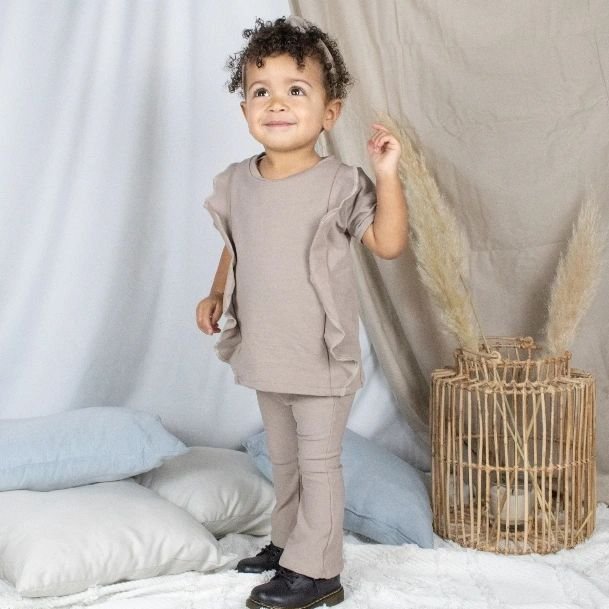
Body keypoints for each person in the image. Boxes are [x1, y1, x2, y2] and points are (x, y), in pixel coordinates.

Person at [196, 15, 407, 609]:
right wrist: (215, 294)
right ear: (245, 109)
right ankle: (288, 544)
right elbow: (234, 245)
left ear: (329, 112)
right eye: (261, 91)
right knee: (284, 459)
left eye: (296, 89)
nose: (277, 103)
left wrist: (387, 175)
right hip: (268, 349)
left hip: (320, 355)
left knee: (318, 464)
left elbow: (389, 244)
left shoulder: (341, 183)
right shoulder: (237, 182)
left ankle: (319, 573)